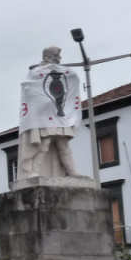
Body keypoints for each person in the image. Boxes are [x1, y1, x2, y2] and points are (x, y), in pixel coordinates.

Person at [16, 46, 81, 180]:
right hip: (44, 117)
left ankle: (72, 171)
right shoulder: (35, 73)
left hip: (59, 116)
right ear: (47, 57)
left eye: (59, 56)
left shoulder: (62, 71)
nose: (59, 59)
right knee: (44, 144)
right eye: (56, 56)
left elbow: (71, 82)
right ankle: (34, 171)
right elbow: (29, 89)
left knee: (63, 145)